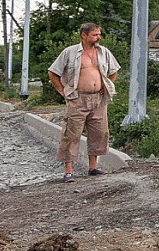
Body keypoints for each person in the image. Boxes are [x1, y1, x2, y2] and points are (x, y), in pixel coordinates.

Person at [47, 22, 121, 183]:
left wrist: (106, 85)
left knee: (99, 132)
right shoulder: (70, 52)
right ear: (84, 35)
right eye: (95, 35)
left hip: (99, 100)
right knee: (71, 133)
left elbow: (114, 70)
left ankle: (93, 167)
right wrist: (62, 91)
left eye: (99, 34)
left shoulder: (103, 52)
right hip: (77, 99)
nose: (98, 37)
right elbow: (53, 72)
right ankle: (68, 171)